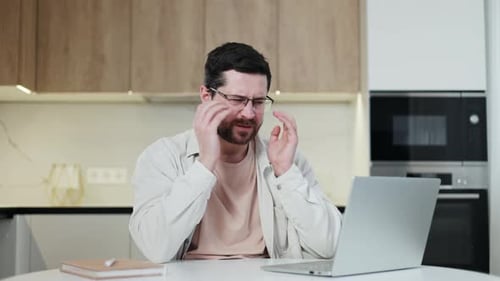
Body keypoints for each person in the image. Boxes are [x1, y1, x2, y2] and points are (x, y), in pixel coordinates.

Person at [129, 42, 342, 263]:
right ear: (206, 96)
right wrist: (205, 164)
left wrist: (286, 173)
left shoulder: (286, 159)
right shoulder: (163, 156)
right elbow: (155, 247)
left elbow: (329, 247)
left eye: (258, 102)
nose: (248, 113)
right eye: (237, 100)